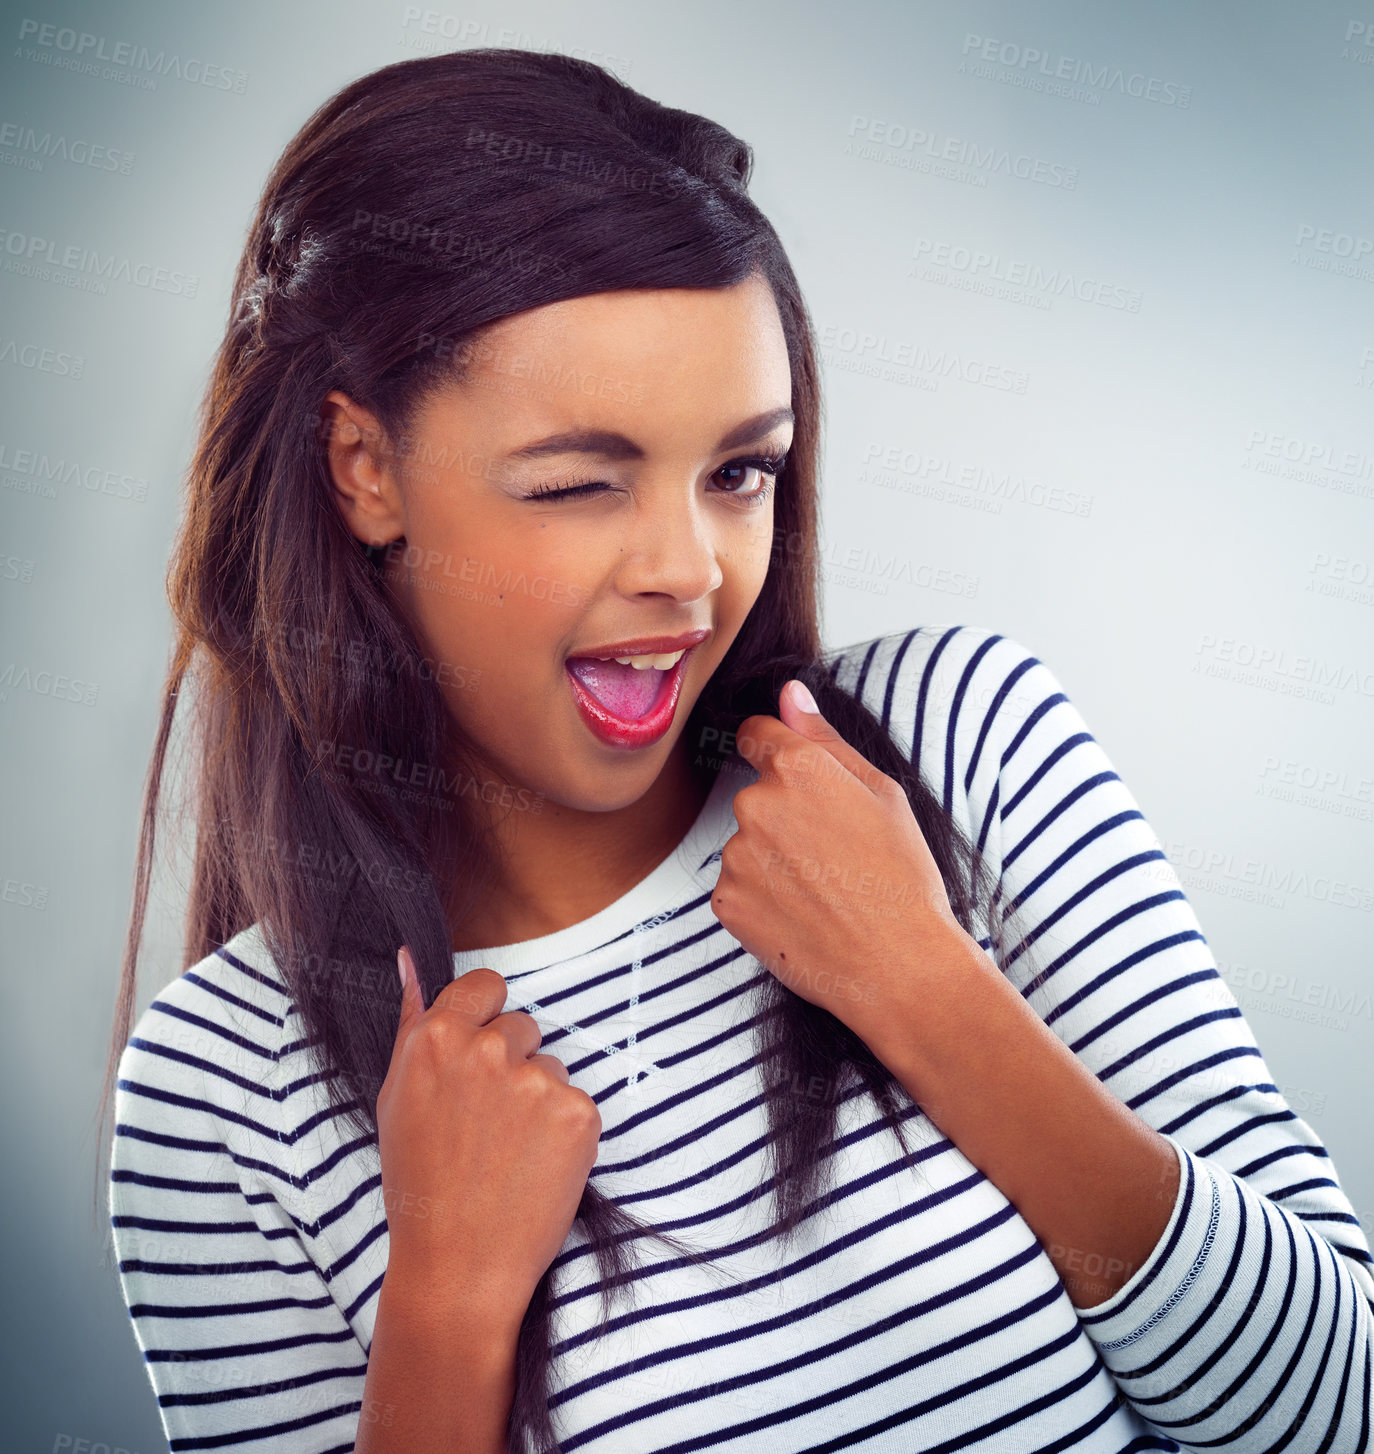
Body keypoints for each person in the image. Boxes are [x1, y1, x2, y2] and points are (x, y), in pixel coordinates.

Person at [99, 48, 1373, 1454]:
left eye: (738, 472)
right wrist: (447, 1309)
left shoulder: (962, 749)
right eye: (580, 482)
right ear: (366, 470)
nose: (690, 571)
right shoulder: (217, 1093)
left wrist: (927, 988)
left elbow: (1336, 1414)